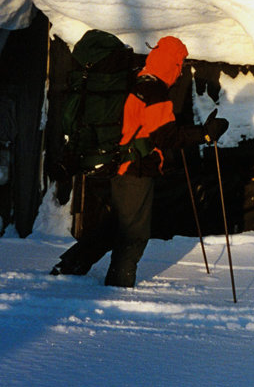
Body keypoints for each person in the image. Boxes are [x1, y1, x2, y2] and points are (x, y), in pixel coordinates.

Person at [53, 35, 228, 287]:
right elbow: (165, 136)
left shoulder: (136, 80)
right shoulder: (153, 89)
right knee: (134, 232)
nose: (180, 72)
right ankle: (119, 284)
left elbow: (150, 126)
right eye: (180, 64)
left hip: (118, 163)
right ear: (174, 64)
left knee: (119, 223)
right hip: (134, 168)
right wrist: (205, 133)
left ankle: (71, 265)